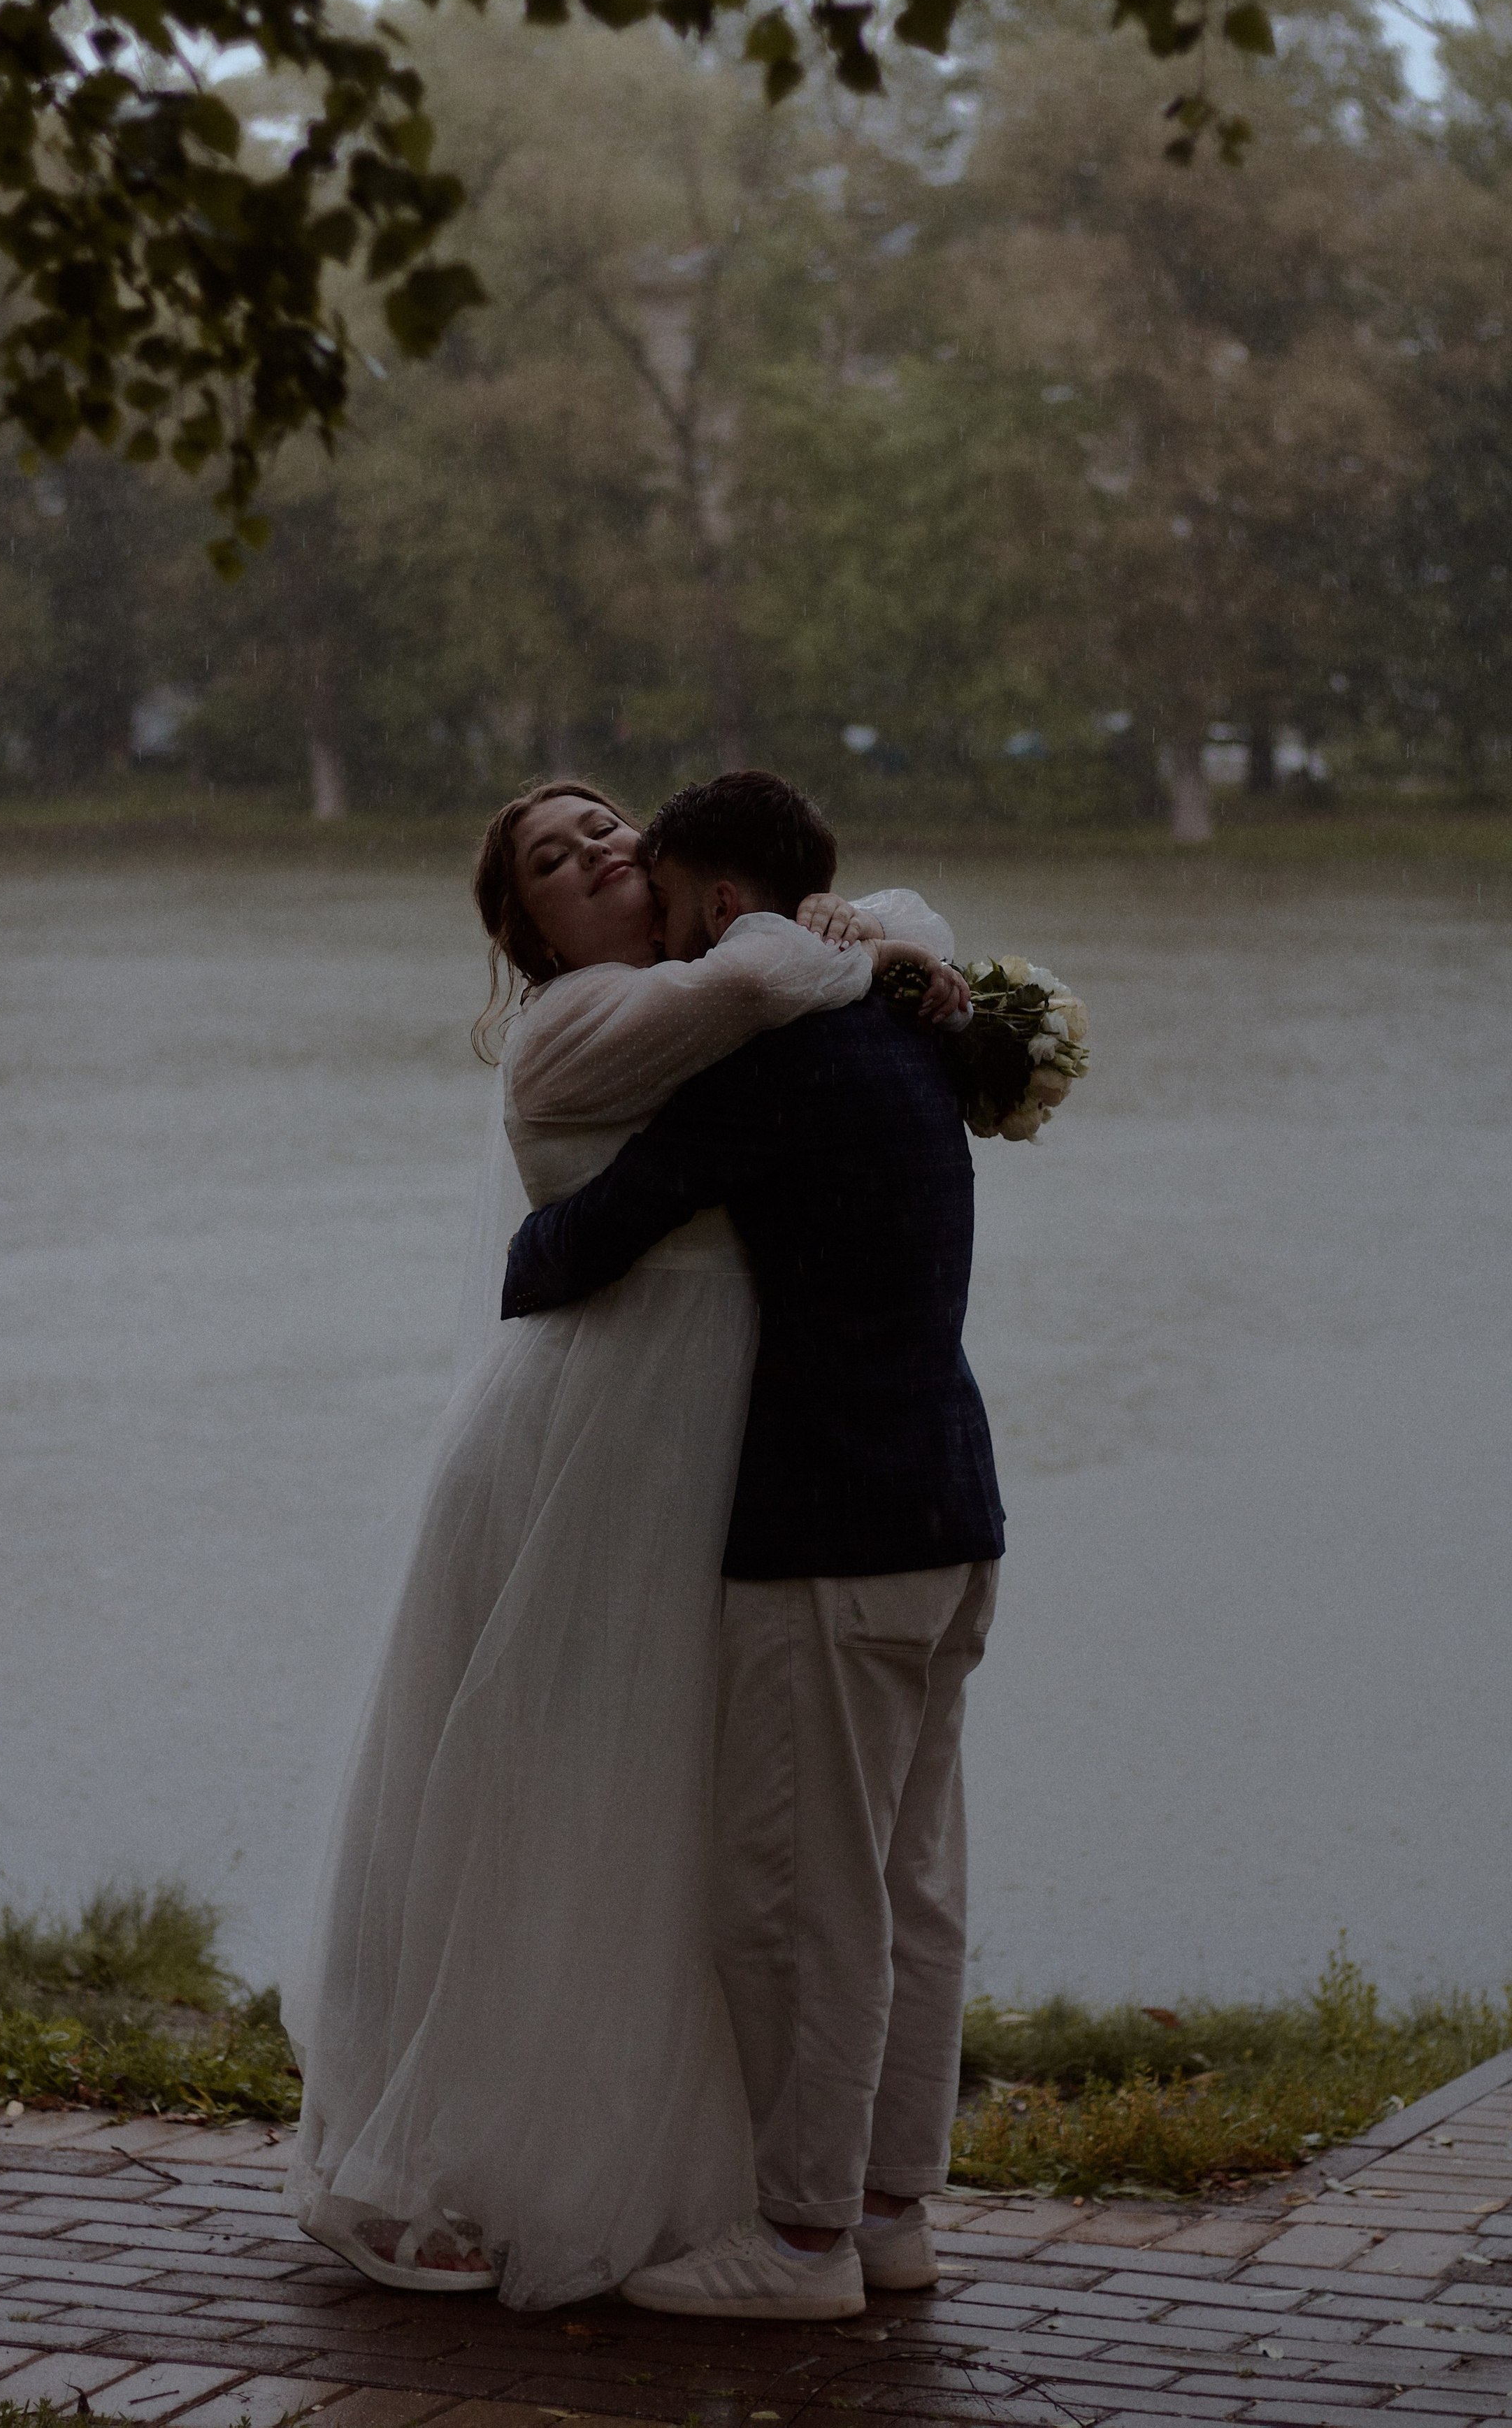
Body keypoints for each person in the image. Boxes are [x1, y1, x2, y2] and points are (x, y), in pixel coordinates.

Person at [281, 773, 961, 2311]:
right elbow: (770, 974)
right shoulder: (581, 1025)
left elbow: (861, 939)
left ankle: (698, 2177)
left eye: (603, 824)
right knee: (528, 1802)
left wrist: (861, 924)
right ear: (529, 931)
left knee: (686, 1823)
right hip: (585, 1449)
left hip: (721, 1448)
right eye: (551, 855)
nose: (593, 847)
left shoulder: (725, 980)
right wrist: (851, 934)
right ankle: (429, 2159)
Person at [503, 769, 1005, 2322]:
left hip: (828, 1536)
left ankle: (798, 2244)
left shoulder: (778, 1065)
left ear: (723, 905)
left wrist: (530, 1241)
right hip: (951, 1511)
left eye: (663, 893)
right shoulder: (909, 1038)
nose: (643, 906)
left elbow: (579, 1242)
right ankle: (891, 2213)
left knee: (795, 1902)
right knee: (911, 1887)